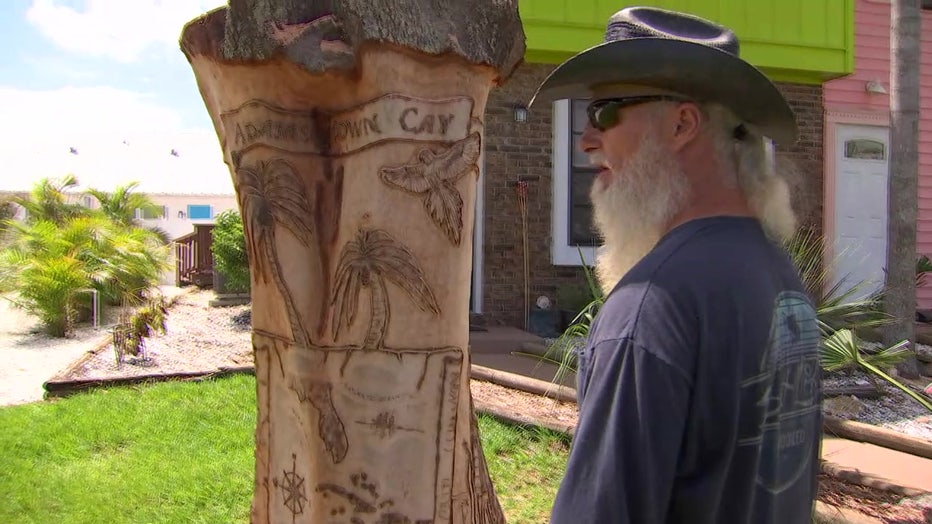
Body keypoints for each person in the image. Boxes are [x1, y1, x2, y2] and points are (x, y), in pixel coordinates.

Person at [528, 6, 823, 523]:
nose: (587, 139)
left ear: (683, 123)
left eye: (604, 112)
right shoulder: (777, 273)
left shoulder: (650, 307)